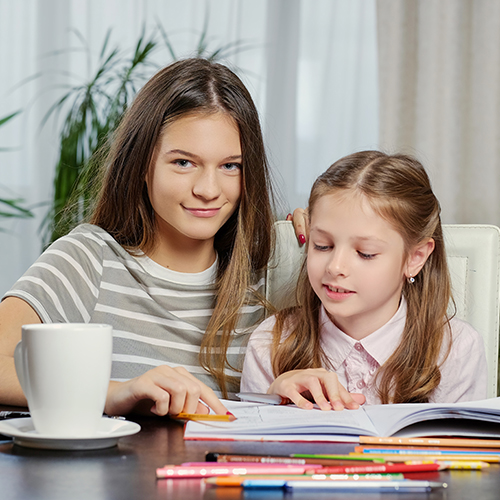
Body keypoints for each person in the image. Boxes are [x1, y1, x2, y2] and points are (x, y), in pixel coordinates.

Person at [0, 58, 305, 418]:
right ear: (142, 165)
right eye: (183, 163)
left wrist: (335, 231)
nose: (208, 190)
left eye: (230, 166)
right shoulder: (89, 259)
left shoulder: (272, 272)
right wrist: (115, 393)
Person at [241, 150, 487, 410]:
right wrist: (273, 404)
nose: (335, 267)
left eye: (365, 253)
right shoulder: (271, 343)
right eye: (322, 246)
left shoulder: (457, 350)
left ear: (415, 258)